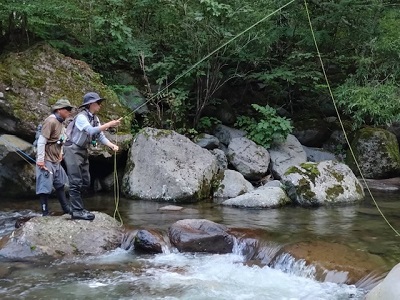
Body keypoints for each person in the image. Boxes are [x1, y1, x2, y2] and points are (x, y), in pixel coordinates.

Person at [63, 92, 121, 221]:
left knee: (86, 181)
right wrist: (109, 124)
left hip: (83, 150)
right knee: (75, 181)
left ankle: (76, 207)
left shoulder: (95, 118)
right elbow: (91, 131)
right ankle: (77, 211)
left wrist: (111, 145)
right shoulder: (81, 117)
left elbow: (99, 135)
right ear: (90, 104)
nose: (100, 105)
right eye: (98, 103)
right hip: (72, 149)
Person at [36, 98, 74, 216]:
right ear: (59, 110)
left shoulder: (62, 122)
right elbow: (42, 141)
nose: (69, 112)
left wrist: (61, 153)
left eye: (70, 109)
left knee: (60, 184)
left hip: (56, 159)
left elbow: (61, 140)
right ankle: (45, 212)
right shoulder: (50, 121)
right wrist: (41, 160)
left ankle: (66, 208)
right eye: (67, 109)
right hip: (46, 158)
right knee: (44, 186)